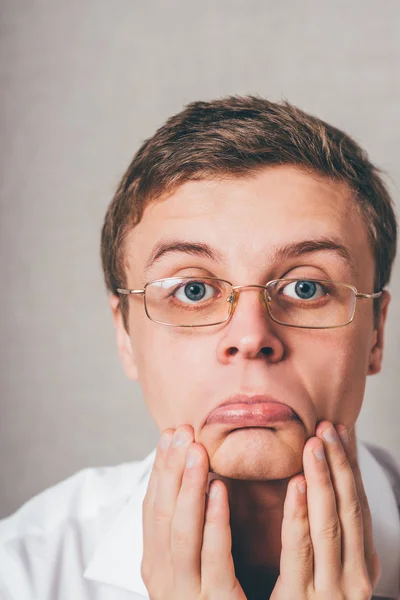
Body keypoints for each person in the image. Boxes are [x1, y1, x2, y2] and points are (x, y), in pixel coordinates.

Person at [0, 96, 399, 600]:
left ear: (376, 333)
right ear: (125, 334)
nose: (251, 338)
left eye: (306, 287)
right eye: (193, 290)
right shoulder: (19, 573)